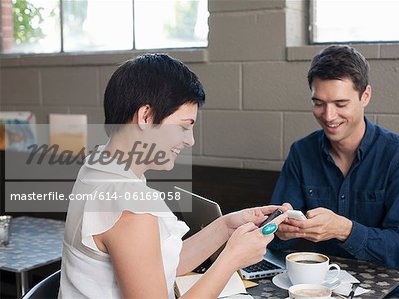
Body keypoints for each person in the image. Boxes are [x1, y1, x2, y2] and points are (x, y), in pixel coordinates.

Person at [59, 54, 287, 299]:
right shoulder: (130, 207)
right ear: (146, 117)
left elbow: (153, 267)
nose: (190, 140)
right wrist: (231, 259)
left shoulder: (99, 169)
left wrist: (223, 228)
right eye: (183, 126)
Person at [269, 45, 399, 298]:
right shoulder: (302, 152)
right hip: (317, 286)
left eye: (340, 103)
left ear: (365, 96)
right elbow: (277, 233)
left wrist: (345, 229)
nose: (329, 116)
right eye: (318, 103)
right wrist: (280, 229)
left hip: (393, 289)